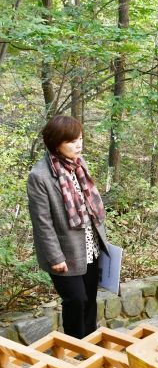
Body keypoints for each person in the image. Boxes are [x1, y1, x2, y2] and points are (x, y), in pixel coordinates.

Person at [27, 116, 109, 339]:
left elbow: (91, 205)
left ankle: (89, 343)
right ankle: (74, 346)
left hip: (90, 245)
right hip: (64, 251)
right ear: (56, 143)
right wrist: (55, 257)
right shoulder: (40, 176)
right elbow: (42, 222)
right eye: (72, 141)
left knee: (90, 299)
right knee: (76, 299)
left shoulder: (80, 164)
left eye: (80, 139)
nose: (79, 145)